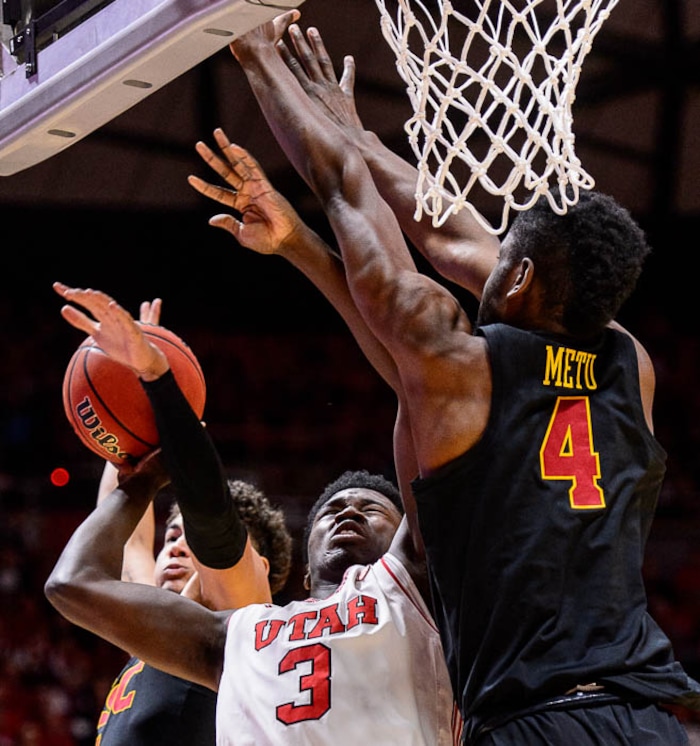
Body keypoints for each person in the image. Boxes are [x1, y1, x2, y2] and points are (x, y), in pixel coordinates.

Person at [196, 11, 700, 744]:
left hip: (532, 721)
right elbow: (453, 234)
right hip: (646, 718)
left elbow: (349, 193)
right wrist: (359, 136)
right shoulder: (630, 362)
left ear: (520, 276)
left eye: (505, 261)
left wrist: (257, 55)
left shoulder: (460, 365)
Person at [45, 282, 462, 744]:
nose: (347, 512)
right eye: (170, 535)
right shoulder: (237, 635)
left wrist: (165, 395)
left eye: (371, 508)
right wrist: (141, 429)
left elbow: (213, 517)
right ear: (304, 571)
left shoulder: (411, 591)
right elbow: (81, 572)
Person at [86, 299, 293, 744]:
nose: (176, 547)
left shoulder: (240, 625)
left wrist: (165, 392)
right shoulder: (156, 627)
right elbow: (130, 537)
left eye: (193, 542)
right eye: (172, 536)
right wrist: (134, 381)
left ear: (258, 568)